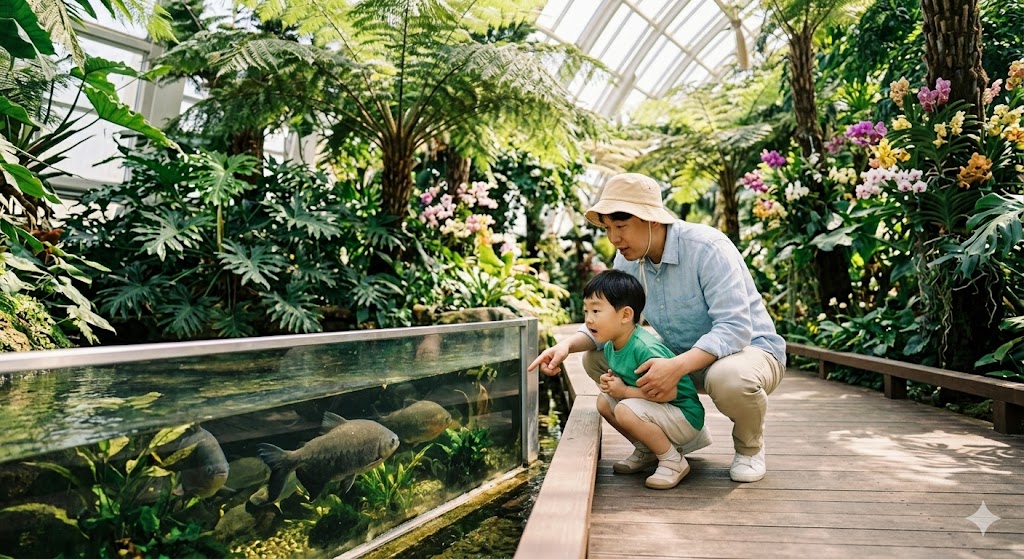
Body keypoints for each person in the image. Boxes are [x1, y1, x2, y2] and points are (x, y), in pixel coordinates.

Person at [528, 172, 786, 483]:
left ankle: (749, 448)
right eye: (608, 228)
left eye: (621, 227)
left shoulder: (708, 247)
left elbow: (734, 328)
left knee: (729, 377)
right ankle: (655, 443)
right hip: (682, 358)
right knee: (594, 359)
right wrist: (566, 346)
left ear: (652, 221)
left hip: (749, 353)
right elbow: (612, 322)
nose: (614, 239)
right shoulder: (628, 260)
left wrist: (675, 367)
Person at [583, 269, 705, 490]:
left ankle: (672, 460)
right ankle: (648, 450)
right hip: (662, 411)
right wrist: (611, 383)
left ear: (625, 315)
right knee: (603, 401)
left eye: (596, 311)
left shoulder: (645, 348)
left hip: (684, 415)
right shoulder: (612, 345)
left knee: (623, 408)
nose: (588, 319)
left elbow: (669, 393)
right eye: (586, 311)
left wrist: (623, 392)